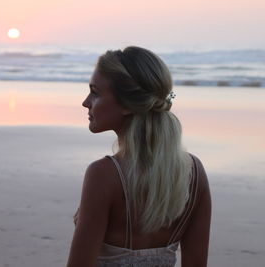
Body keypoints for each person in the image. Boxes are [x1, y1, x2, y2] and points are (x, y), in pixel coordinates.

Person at [66, 46, 211, 267]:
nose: (86, 102)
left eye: (95, 92)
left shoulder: (104, 175)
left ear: (126, 105)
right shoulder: (194, 171)